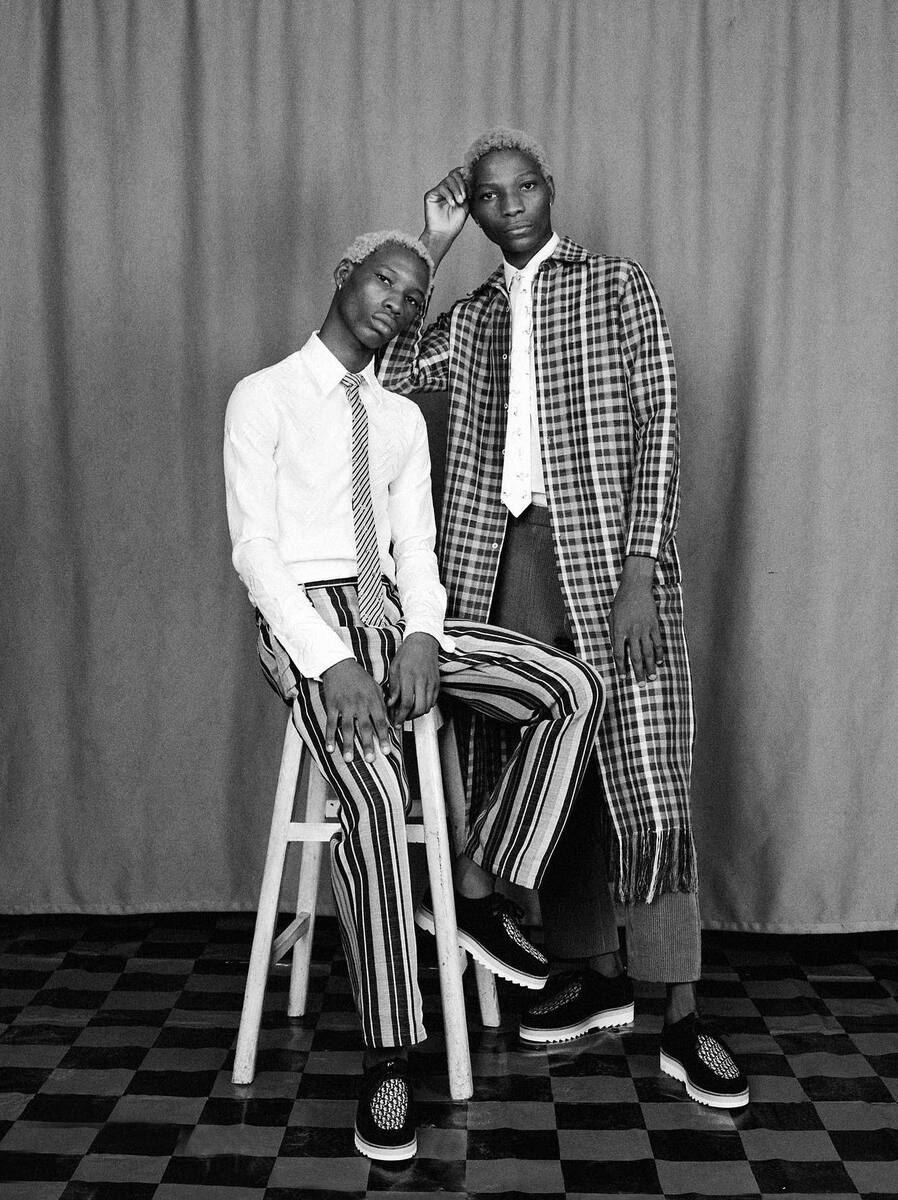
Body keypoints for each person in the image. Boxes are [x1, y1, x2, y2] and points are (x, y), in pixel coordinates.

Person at [377, 131, 749, 1109]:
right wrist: (431, 243)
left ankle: (681, 1015)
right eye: (486, 196)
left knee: (644, 771)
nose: (507, 205)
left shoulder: (615, 286)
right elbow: (389, 373)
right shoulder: (470, 315)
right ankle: (590, 973)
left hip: (610, 560)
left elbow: (660, 421)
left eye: (522, 187)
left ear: (549, 189)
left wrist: (640, 569)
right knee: (556, 762)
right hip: (500, 561)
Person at [223, 230, 604, 1161]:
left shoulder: (396, 419)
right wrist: (330, 661)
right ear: (342, 277)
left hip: (392, 610)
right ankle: (389, 1057)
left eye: (412, 295)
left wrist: (423, 635)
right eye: (382, 281)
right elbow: (255, 553)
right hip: (306, 617)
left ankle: (474, 891)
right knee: (378, 799)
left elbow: (416, 548)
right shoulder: (263, 396)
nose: (395, 302)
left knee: (569, 684)